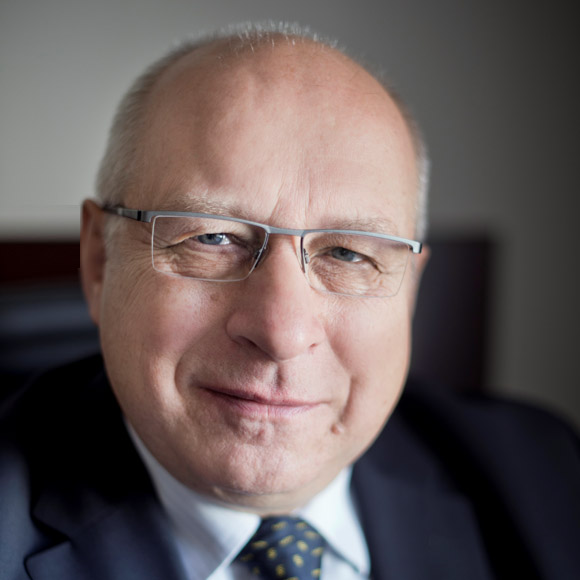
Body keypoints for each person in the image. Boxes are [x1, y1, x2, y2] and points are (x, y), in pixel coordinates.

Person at [1, 22, 579, 580]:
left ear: (410, 290)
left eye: (348, 253)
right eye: (212, 237)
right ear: (99, 261)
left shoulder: (546, 477)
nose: (281, 332)